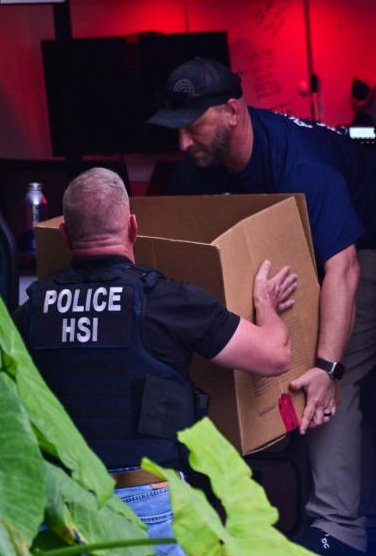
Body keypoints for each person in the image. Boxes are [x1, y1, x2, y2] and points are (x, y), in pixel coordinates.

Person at [149, 58, 376, 555]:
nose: (183, 144)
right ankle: (366, 507)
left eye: (193, 128)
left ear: (232, 112)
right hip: (284, 257)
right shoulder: (196, 168)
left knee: (320, 382)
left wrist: (327, 365)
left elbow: (342, 269)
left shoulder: (304, 163)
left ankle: (338, 530)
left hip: (370, 258)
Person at [15, 168, 301, 555]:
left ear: (64, 235)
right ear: (133, 227)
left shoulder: (33, 308)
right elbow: (275, 355)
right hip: (145, 498)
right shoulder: (166, 301)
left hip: (64, 501)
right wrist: (265, 305)